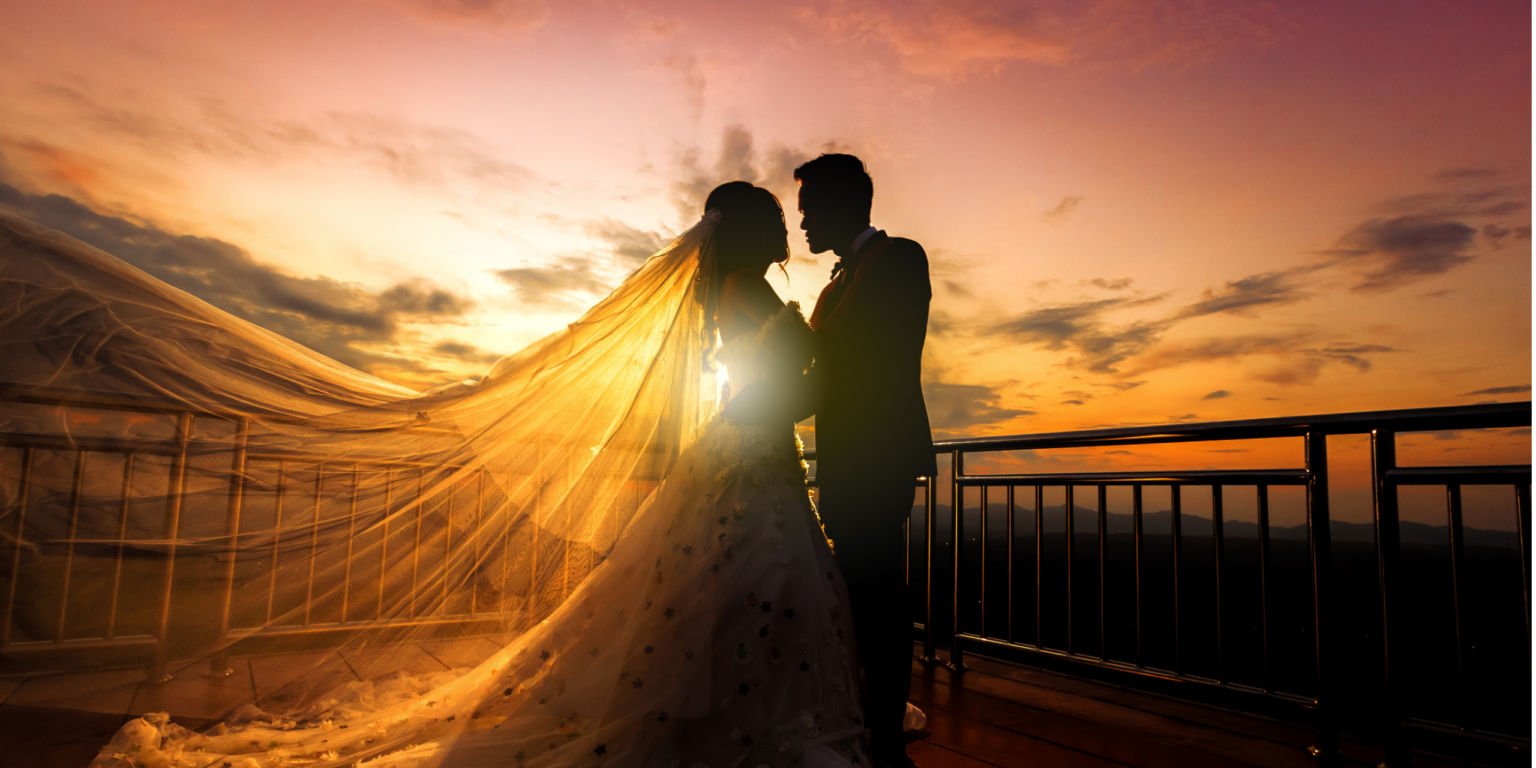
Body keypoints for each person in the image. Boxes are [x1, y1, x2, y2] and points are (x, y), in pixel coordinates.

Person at [54, 182, 871, 766]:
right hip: (750, 456)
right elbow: (790, 383)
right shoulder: (739, 291)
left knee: (729, 594)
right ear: (755, 232)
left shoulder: (734, 293)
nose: (790, 228)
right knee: (746, 589)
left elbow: (778, 381)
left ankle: (720, 708)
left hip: (750, 453)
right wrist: (809, 360)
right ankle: (731, 717)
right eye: (779, 218)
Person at [726, 154, 936, 768]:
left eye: (811, 208)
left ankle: (888, 737)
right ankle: (868, 716)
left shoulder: (898, 258)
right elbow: (818, 369)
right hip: (846, 453)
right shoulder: (839, 280)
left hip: (879, 451)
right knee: (857, 590)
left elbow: (838, 357)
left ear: (846, 202)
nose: (804, 222)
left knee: (877, 591)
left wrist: (763, 403)